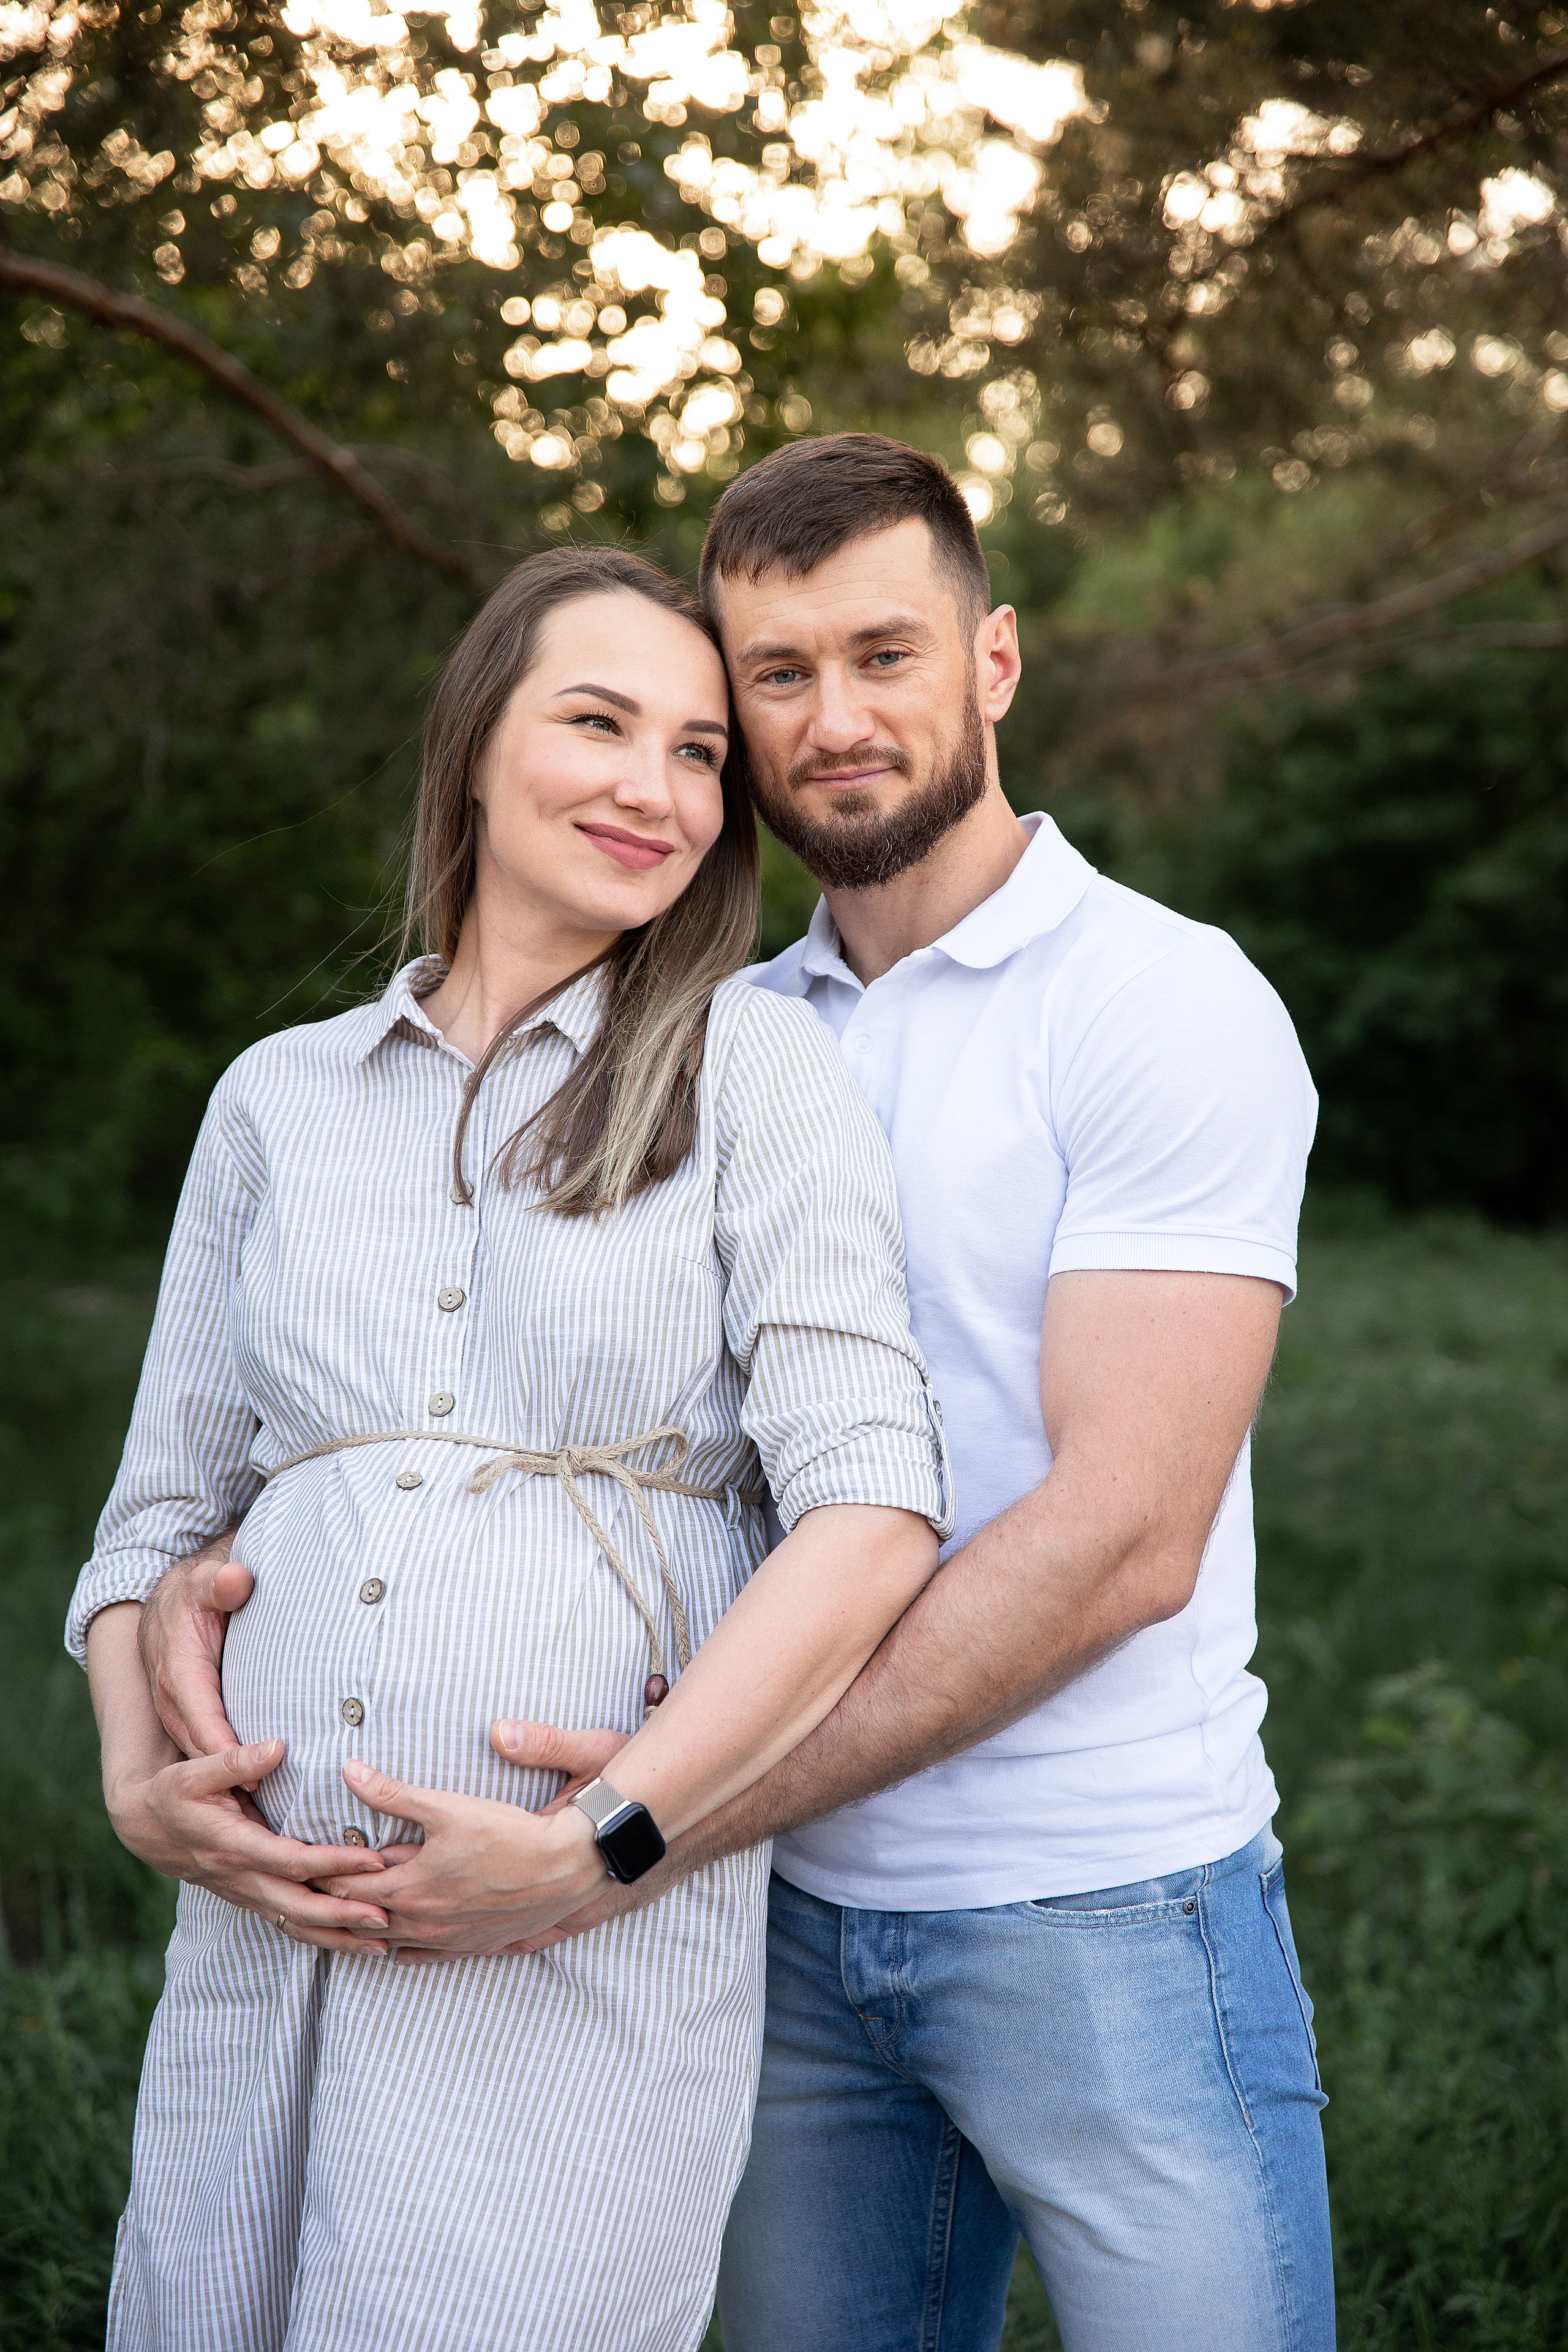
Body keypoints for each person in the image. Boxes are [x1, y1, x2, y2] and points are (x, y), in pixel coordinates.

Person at [142, 436, 1333, 2351]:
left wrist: (634, 1830)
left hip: (1090, 1899)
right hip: (759, 1932)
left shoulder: (1156, 1001)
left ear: (997, 663)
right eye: (773, 677)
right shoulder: (713, 1034)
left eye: (887, 656)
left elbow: (1125, 1538)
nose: (832, 719)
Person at [69, 543, 954, 2352]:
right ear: (475, 742)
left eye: (703, 752)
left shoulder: (753, 1069)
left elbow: (871, 1510)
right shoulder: (280, 1097)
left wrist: (606, 1843)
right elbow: (155, 1514)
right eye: (601, 723)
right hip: (263, 1935)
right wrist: (134, 1779)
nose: (657, 786)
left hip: (570, 1940)